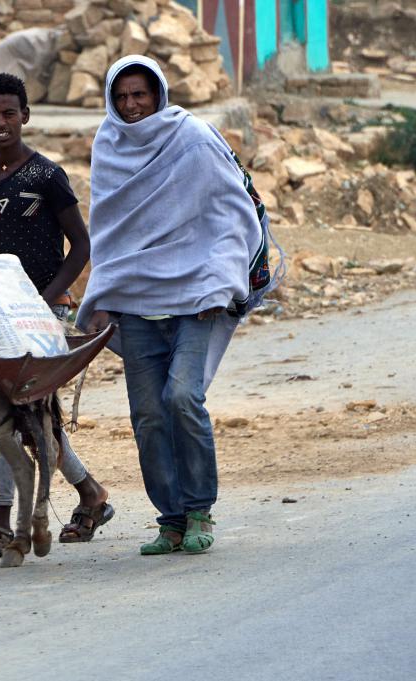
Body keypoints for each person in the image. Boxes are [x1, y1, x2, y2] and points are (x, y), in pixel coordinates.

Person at [77, 55, 268, 555]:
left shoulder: (194, 138)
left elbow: (231, 215)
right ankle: (172, 519)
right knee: (147, 415)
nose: (130, 105)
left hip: (196, 298)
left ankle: (201, 508)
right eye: (121, 97)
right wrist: (105, 293)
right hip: (136, 303)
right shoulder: (108, 144)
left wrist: (220, 284)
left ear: (159, 93)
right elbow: (112, 230)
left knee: (183, 398)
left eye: (139, 94)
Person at [0, 73, 113, 558]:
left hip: (42, 309)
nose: (2, 122)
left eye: (10, 113)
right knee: (26, 410)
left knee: (17, 404)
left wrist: (45, 298)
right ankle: (88, 491)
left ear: (25, 116)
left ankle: (0, 519)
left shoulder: (46, 176)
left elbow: (81, 246)